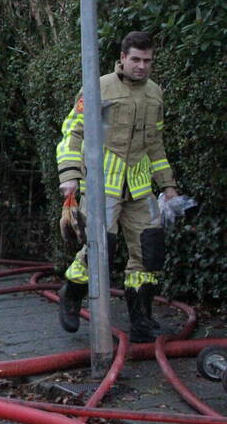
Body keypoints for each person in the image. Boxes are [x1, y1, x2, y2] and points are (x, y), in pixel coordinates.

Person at [55, 30, 178, 343]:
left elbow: (155, 144)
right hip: (102, 185)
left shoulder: (155, 93)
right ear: (122, 58)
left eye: (147, 60)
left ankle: (141, 321)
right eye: (135, 59)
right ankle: (71, 293)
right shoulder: (98, 87)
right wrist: (69, 174)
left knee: (149, 252)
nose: (141, 66)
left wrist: (168, 186)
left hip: (139, 186)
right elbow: (73, 131)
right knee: (99, 249)